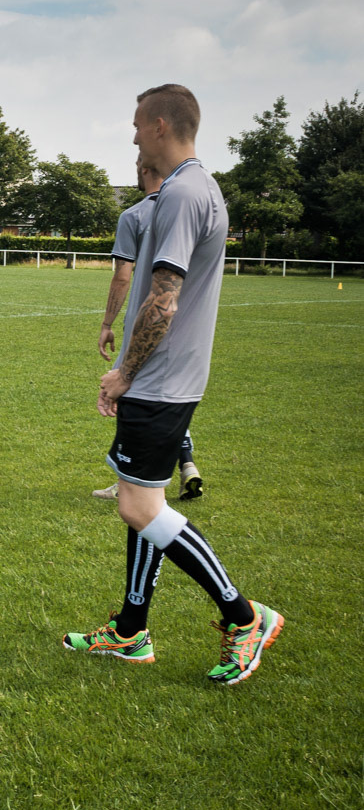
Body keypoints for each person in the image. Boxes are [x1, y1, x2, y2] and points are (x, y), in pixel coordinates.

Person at [64, 84, 283, 684]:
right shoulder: (197, 188)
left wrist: (123, 374)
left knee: (137, 504)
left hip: (161, 378)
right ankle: (132, 631)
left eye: (137, 125)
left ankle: (243, 617)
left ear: (160, 125)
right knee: (145, 500)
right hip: (168, 377)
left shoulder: (184, 193)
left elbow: (162, 302)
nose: (133, 135)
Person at [93, 161, 203, 502]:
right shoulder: (194, 207)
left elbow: (123, 275)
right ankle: (186, 464)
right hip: (188, 330)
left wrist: (108, 323)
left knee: (129, 392)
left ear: (143, 170)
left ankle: (130, 479)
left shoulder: (135, 216)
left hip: (148, 321)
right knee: (168, 401)